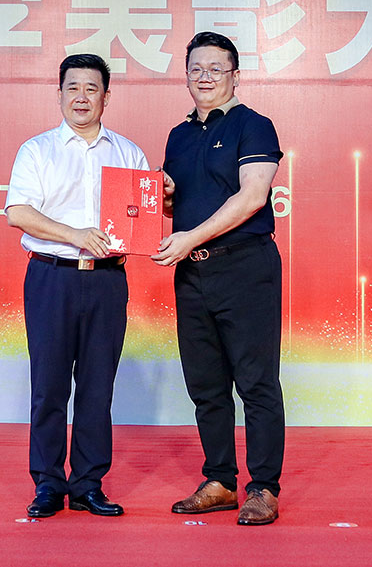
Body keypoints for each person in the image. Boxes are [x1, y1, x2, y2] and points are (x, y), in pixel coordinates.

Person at [5, 53, 148, 518]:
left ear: (106, 96)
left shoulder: (128, 153)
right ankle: (48, 483)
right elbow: (18, 212)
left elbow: (141, 218)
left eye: (91, 88)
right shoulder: (37, 150)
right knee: (48, 386)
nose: (81, 97)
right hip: (52, 277)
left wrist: (158, 207)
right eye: (73, 88)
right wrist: (75, 235)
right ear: (59, 94)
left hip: (107, 281)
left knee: (96, 387)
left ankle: (88, 484)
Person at [153, 32, 285, 526]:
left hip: (245, 266)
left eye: (215, 68)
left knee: (255, 382)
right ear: (186, 75)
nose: (204, 77)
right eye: (195, 69)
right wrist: (166, 199)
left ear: (235, 74)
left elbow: (252, 197)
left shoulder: (254, 126)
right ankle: (220, 481)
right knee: (206, 383)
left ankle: (263, 487)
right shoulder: (178, 135)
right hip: (192, 271)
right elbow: (180, 207)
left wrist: (188, 238)